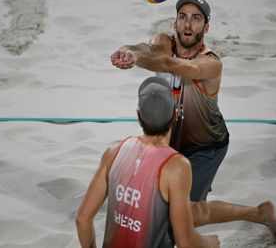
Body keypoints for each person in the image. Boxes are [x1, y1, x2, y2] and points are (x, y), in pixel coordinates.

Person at [110, 0, 276, 240]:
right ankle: (259, 213)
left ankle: (219, 238)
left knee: (178, 216)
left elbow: (168, 63)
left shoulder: (211, 63)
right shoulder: (162, 42)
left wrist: (139, 58)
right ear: (175, 23)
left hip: (206, 147)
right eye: (183, 17)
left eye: (196, 18)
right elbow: (147, 50)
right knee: (192, 212)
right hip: (172, 144)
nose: (188, 24)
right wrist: (129, 51)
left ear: (206, 27)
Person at [76, 76, 220, 248]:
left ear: (139, 116)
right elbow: (185, 241)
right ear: (175, 115)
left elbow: (82, 220)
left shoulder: (114, 151)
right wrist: (209, 243)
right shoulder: (177, 166)